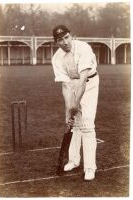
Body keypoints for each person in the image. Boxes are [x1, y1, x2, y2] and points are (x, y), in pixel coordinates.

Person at [52, 25, 99, 181]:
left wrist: (75, 105)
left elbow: (83, 79)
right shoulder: (57, 59)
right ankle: (73, 160)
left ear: (71, 36)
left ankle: (90, 167)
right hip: (72, 84)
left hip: (90, 83)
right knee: (74, 124)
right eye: (60, 40)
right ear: (56, 42)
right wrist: (69, 110)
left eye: (66, 37)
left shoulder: (83, 48)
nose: (65, 42)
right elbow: (66, 86)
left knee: (87, 124)